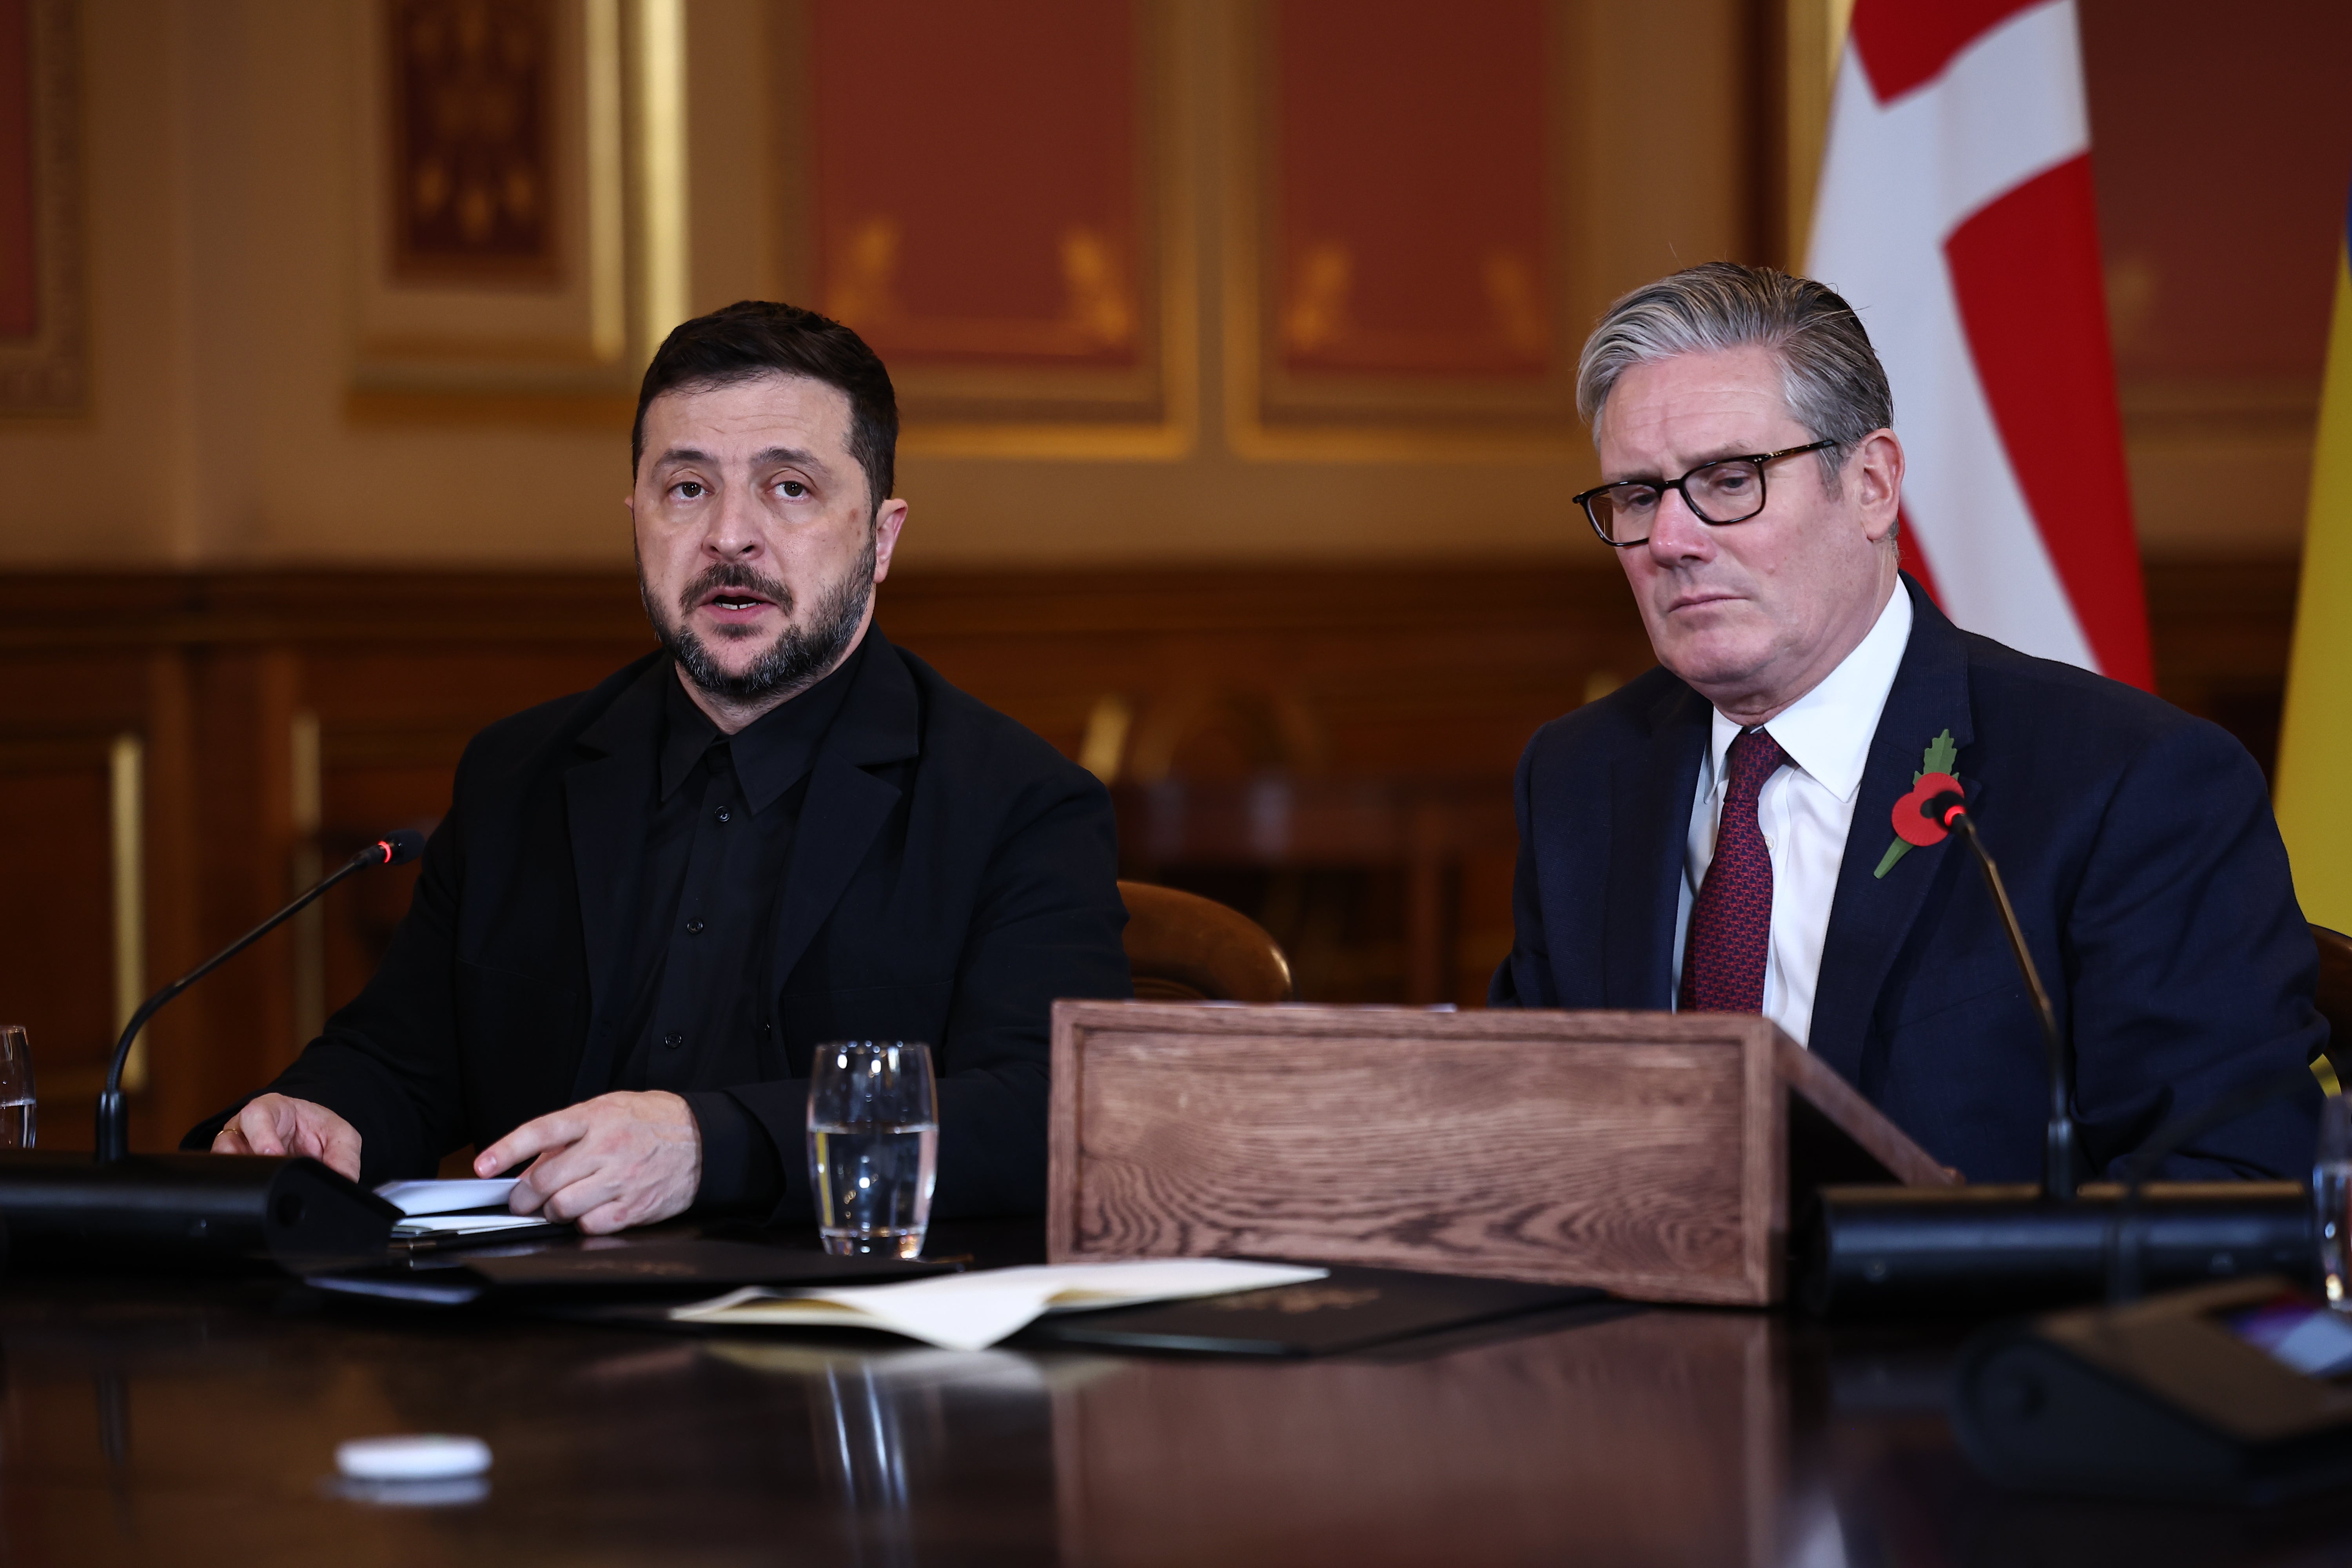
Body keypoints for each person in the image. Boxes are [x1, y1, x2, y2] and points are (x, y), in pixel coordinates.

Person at [192, 301, 1131, 1229]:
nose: (730, 535)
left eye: (789, 488)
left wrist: (708, 1144)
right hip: (538, 1351)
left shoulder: (1015, 803)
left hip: (848, 1352)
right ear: (636, 516)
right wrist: (324, 1118)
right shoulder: (522, 773)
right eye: (687, 487)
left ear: (881, 539)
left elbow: (1044, 1116)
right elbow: (403, 1059)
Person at [1492, 261, 2320, 1181]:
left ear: (1874, 484)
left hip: (1966, 1324)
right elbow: (1530, 1131)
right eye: (1640, 496)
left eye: (1730, 479)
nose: (1675, 542)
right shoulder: (1580, 776)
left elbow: (2230, 1179)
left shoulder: (2132, 784)